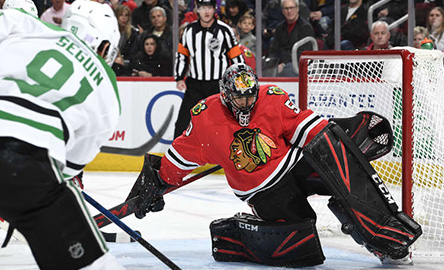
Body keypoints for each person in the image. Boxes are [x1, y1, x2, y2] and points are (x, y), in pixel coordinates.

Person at [128, 63, 422, 267]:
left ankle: (380, 231)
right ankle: (238, 233)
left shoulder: (271, 98)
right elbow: (178, 159)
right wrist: (158, 181)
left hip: (294, 165)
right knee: (302, 250)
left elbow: (309, 129)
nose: (244, 102)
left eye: (248, 95)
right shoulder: (205, 119)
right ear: (225, 94)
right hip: (261, 190)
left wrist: (347, 138)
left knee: (338, 150)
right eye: (237, 96)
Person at [0, 1, 124, 269]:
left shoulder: (28, 25)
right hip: (27, 166)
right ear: (105, 46)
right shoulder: (106, 82)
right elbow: (72, 163)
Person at [173, 0, 244, 138]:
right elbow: (182, 56)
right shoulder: (189, 31)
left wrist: (240, 79)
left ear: (214, 9)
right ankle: (176, 157)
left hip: (218, 85)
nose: (206, 11)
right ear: (197, 10)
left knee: (226, 122)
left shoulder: (225, 30)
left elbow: (236, 57)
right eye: (203, 7)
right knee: (182, 123)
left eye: (210, 8)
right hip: (195, 85)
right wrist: (179, 78)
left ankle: (232, 155)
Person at [266, 0, 314, 77]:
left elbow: (303, 53)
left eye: (291, 8)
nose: (289, 11)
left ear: (297, 9)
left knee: (287, 70)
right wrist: (273, 62)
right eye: (286, 8)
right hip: (281, 63)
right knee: (266, 68)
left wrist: (284, 63)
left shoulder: (306, 28)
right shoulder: (279, 28)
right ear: (282, 11)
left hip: (298, 64)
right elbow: (274, 49)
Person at [136, 6, 173, 76]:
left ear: (165, 18)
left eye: (159, 16)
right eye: (153, 17)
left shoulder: (173, 35)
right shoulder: (144, 35)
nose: (156, 19)